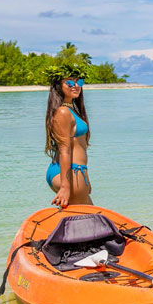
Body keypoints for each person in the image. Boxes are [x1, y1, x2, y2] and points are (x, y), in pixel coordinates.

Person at [45, 65, 92, 208]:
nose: (76, 86)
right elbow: (65, 150)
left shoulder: (72, 109)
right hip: (70, 171)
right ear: (58, 86)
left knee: (85, 217)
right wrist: (65, 187)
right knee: (87, 219)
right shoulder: (63, 112)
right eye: (70, 82)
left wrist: (86, 179)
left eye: (79, 82)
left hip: (76, 171)